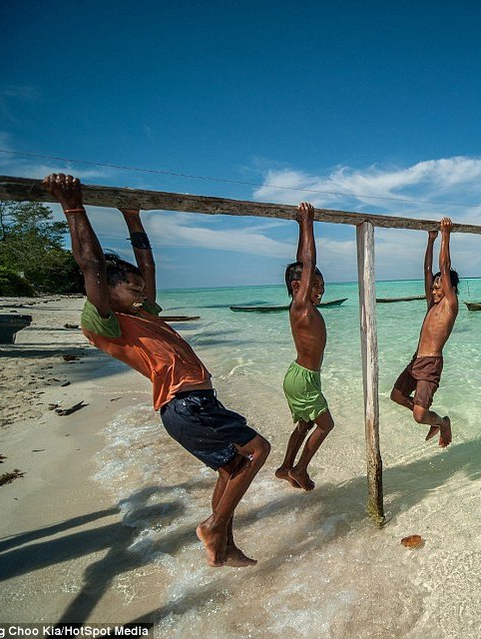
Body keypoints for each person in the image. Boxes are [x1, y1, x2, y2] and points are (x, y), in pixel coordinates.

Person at [43, 173, 271, 568]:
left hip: (195, 403)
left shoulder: (139, 311)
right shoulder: (104, 319)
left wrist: (133, 218)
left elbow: (146, 267)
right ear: (107, 289)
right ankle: (215, 525)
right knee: (258, 450)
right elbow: (92, 264)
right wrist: (73, 205)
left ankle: (223, 544)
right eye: (132, 289)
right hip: (185, 405)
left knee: (233, 466)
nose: (142, 293)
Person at [274, 202, 334, 491]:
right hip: (303, 380)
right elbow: (306, 263)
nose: (320, 290)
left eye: (322, 285)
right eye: (315, 285)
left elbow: (304, 265)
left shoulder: (302, 305)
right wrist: (308, 223)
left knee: (305, 425)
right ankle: (300, 469)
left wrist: (300, 225)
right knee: (325, 425)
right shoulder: (300, 306)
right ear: (298, 287)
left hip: (302, 376)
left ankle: (285, 467)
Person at [390, 217, 458, 447]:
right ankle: (426, 413)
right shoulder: (432, 303)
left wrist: (445, 235)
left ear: (450, 289)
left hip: (431, 364)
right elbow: (428, 270)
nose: (434, 289)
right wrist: (430, 240)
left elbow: (443, 268)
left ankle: (441, 422)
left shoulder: (450, 304)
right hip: (416, 360)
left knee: (418, 416)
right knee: (397, 396)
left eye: (439, 287)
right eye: (434, 287)